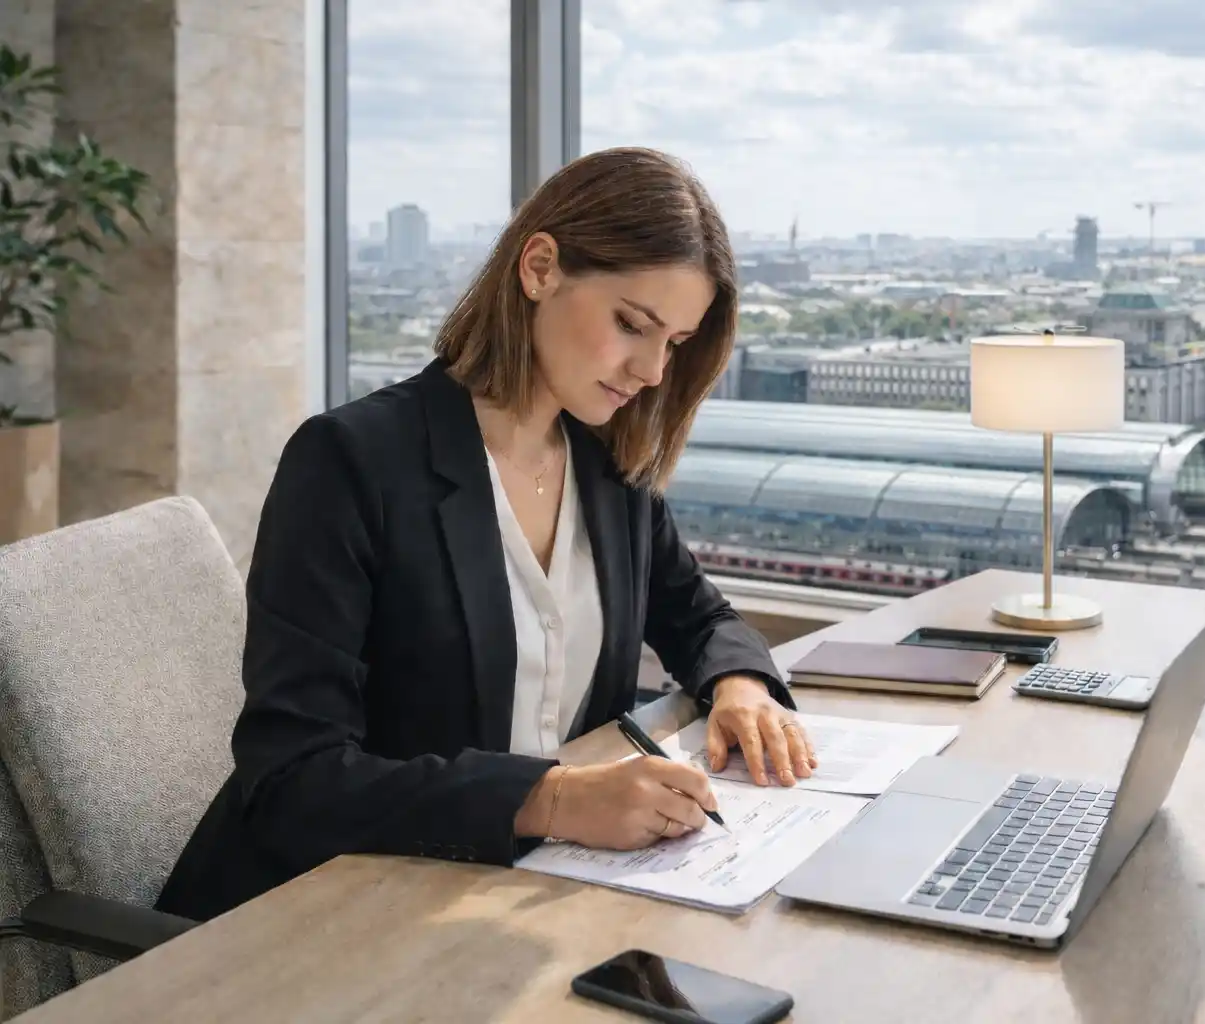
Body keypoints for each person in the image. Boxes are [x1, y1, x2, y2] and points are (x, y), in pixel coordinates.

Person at [156, 147, 818, 923]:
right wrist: (552, 799)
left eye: (673, 343)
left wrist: (739, 687)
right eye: (632, 324)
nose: (650, 371)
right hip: (315, 916)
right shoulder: (351, 463)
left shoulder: (608, 469)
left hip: (511, 903)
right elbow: (293, 780)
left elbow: (699, 615)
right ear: (539, 268)